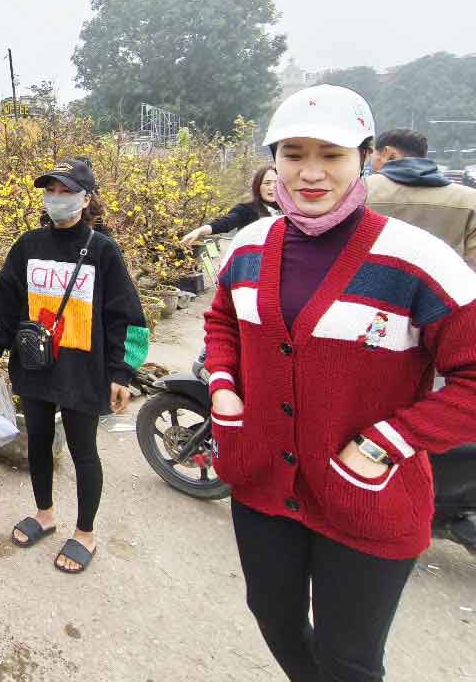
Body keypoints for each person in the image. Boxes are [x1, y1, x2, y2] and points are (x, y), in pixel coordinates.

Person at [204, 85, 476, 682]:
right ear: (272, 160)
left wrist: (386, 442)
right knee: (272, 616)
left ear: (365, 158)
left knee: (349, 659)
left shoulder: (416, 261)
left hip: (367, 496)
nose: (310, 172)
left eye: (331, 154)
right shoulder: (249, 247)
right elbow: (222, 319)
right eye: (293, 153)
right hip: (263, 486)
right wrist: (223, 385)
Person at [0, 159, 149, 575]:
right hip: (36, 362)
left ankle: (85, 533)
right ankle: (44, 514)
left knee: (82, 450)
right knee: (39, 440)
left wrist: (122, 372)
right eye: (50, 191)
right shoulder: (28, 245)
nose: (56, 199)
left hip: (83, 368)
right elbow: (8, 297)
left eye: (66, 191)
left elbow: (126, 316)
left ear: (86, 198)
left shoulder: (102, 251)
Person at [366, 128, 476, 269]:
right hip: (444, 288)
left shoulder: (358, 191)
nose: (370, 160)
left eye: (373, 153)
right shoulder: (469, 199)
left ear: (388, 153)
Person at [180, 164, 278, 244]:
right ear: (258, 186)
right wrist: (200, 231)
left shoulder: (288, 210)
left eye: (276, 183)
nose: (272, 187)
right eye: (267, 183)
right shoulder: (247, 209)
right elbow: (225, 223)